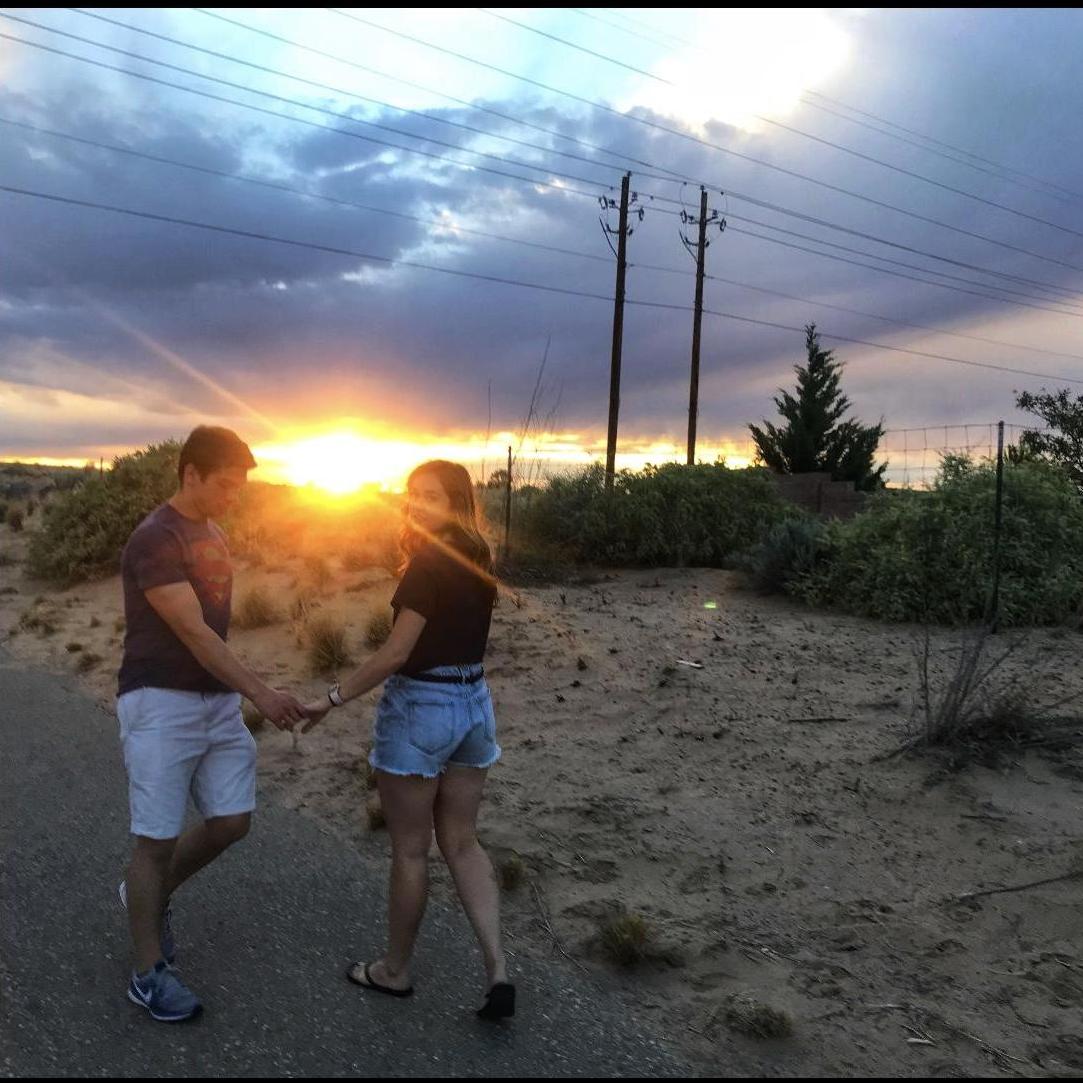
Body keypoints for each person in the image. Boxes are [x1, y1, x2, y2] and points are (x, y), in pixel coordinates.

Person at [302, 459, 514, 1020]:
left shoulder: (427, 563)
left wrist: (331, 700)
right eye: (412, 493)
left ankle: (394, 972)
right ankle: (497, 970)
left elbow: (396, 653)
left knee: (412, 850)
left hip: (423, 709)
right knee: (462, 843)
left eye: (432, 496)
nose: (418, 503)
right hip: (474, 705)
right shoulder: (477, 557)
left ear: (457, 502)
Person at [115, 426, 306, 1022]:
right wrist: (262, 694)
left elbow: (216, 633)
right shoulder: (155, 538)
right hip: (159, 703)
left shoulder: (213, 533)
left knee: (231, 821)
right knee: (156, 840)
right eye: (225, 484)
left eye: (240, 486)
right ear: (190, 473)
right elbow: (195, 633)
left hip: (215, 702)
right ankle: (148, 974)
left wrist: (239, 689)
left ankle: (150, 897)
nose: (234, 496)